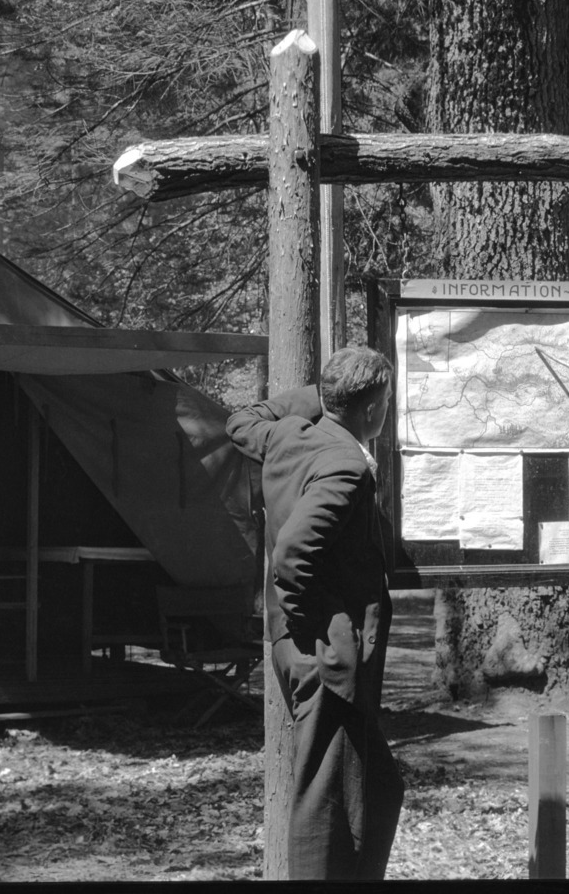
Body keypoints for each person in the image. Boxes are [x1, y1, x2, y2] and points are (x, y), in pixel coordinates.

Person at [226, 346, 403, 880]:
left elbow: (241, 419)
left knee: (376, 789)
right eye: (385, 402)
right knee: (325, 805)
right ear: (374, 411)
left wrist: (325, 396)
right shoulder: (347, 466)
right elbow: (293, 555)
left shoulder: (288, 434)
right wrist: (316, 634)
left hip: (302, 645)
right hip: (322, 651)